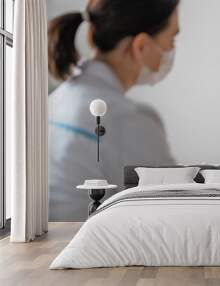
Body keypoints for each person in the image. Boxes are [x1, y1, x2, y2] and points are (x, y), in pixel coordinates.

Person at [48, 0, 179, 221]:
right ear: (141, 47)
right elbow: (171, 211)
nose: (171, 50)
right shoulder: (131, 119)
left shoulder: (56, 99)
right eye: (171, 39)